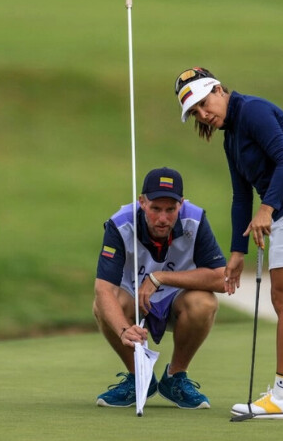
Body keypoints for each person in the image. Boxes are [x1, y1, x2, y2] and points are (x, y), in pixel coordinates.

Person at [174, 67, 283, 419]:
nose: (203, 113)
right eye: (195, 112)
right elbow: (240, 196)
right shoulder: (231, 138)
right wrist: (237, 252)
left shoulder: (253, 111)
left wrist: (267, 208)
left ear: (217, 88)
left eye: (203, 102)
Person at [93, 167, 228, 410]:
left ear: (181, 204)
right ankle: (138, 378)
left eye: (170, 210)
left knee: (204, 303)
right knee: (104, 306)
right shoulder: (120, 224)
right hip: (132, 297)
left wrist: (160, 278)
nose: (163, 218)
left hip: (176, 299)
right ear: (142, 202)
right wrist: (123, 331)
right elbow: (103, 290)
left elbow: (222, 279)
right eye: (155, 209)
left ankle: (175, 378)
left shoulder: (195, 219)